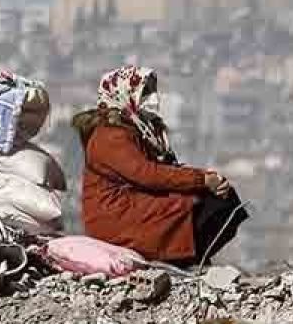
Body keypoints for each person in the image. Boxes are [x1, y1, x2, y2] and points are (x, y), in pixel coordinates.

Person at [73, 65, 247, 266]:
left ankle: (188, 257)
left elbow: (163, 169)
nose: (153, 98)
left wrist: (204, 178)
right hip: (116, 215)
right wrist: (201, 180)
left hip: (131, 204)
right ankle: (184, 259)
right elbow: (147, 174)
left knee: (220, 197)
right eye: (144, 92)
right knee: (205, 203)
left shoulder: (137, 129)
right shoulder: (110, 135)